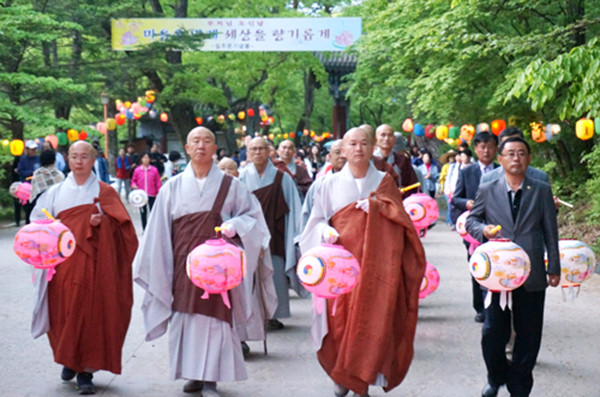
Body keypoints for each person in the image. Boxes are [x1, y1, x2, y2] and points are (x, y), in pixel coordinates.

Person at [134, 127, 270, 396]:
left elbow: (252, 218)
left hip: (219, 266)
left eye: (207, 141)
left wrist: (235, 225)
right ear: (186, 148)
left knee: (216, 321)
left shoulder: (231, 185)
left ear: (214, 147)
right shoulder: (171, 187)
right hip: (182, 264)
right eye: (195, 141)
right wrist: (162, 266)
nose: (201, 146)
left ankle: (211, 378)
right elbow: (159, 231)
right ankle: (192, 374)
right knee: (185, 317)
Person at [299, 127, 426, 397]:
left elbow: (403, 223)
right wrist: (326, 231)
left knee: (374, 321)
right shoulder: (327, 184)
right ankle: (340, 372)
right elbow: (315, 221)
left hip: (378, 267)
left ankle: (363, 380)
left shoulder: (384, 181)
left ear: (372, 149)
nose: (358, 149)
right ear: (342, 150)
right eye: (352, 144)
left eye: (364, 143)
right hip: (339, 268)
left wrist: (382, 209)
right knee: (339, 323)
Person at [30, 141, 137, 395]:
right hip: (63, 267)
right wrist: (51, 228)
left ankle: (85, 370)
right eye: (74, 156)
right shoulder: (55, 192)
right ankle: (69, 359)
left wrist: (104, 224)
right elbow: (36, 223)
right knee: (63, 314)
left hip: (95, 267)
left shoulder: (105, 192)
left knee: (90, 315)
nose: (79, 161)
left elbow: (126, 232)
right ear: (67, 159)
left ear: (94, 159)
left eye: (85, 156)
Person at [466, 137, 560, 397]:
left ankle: (520, 386)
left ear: (529, 159)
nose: (516, 158)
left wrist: (554, 267)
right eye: (510, 154)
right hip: (498, 272)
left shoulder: (540, 189)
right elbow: (472, 220)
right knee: (493, 332)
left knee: (529, 335)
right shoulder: (487, 187)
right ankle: (495, 376)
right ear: (501, 159)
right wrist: (483, 229)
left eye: (521, 153)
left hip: (531, 272)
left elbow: (550, 230)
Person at [239, 137, 303, 330]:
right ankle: (254, 315)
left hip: (275, 234)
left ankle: (274, 314)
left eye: (261, 149)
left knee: (275, 274)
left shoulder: (282, 177)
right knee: (250, 277)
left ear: (269, 152)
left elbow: (294, 207)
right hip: (249, 234)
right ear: (248, 153)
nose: (258, 152)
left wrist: (296, 234)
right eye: (253, 149)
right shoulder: (241, 178)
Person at [217, 156, 278, 357]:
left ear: (237, 172)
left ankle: (240, 339)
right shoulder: (210, 190)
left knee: (240, 297)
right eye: (222, 168)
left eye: (230, 168)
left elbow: (255, 220)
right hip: (211, 254)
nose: (226, 172)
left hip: (239, 251)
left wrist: (242, 231)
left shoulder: (241, 190)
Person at [451, 131, 499, 323]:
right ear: (476, 149)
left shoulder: (502, 170)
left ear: (496, 149)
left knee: (497, 265)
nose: (486, 151)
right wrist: (468, 203)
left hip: (497, 226)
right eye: (482, 147)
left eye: (490, 147)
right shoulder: (467, 172)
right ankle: (480, 307)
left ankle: (496, 306)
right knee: (478, 266)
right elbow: (455, 198)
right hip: (474, 228)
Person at [301, 139, 346, 228]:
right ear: (329, 157)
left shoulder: (359, 182)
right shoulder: (319, 184)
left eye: (344, 152)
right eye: (337, 152)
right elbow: (307, 213)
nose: (342, 156)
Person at [481, 127, 549, 185]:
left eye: (517, 141)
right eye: (510, 152)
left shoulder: (540, 177)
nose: (516, 158)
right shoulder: (488, 179)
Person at [373, 124, 420, 195]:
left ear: (394, 139)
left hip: (398, 202)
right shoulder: (369, 161)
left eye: (390, 135)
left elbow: (413, 184)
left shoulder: (402, 160)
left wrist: (404, 191)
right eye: (383, 135)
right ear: (375, 139)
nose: (386, 138)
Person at [130, 152, 161, 230]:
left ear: (150, 159)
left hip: (152, 194)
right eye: (144, 158)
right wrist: (134, 185)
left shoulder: (154, 170)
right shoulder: (137, 170)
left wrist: (159, 191)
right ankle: (145, 229)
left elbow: (158, 182)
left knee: (153, 212)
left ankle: (153, 228)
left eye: (147, 158)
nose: (146, 160)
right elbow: (133, 180)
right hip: (141, 195)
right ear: (141, 159)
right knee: (143, 213)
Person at [17, 140, 40, 224]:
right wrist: (30, 173)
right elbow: (20, 171)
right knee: (28, 210)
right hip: (27, 189)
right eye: (31, 149)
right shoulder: (23, 160)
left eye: (34, 149)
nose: (33, 151)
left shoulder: (38, 159)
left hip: (37, 187)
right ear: (27, 149)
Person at [438, 150, 457, 227]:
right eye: (450, 157)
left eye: (453, 156)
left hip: (454, 188)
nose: (452, 158)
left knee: (454, 206)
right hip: (447, 188)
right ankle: (449, 220)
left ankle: (452, 220)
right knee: (449, 205)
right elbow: (442, 178)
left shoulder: (457, 165)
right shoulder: (445, 167)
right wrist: (442, 188)